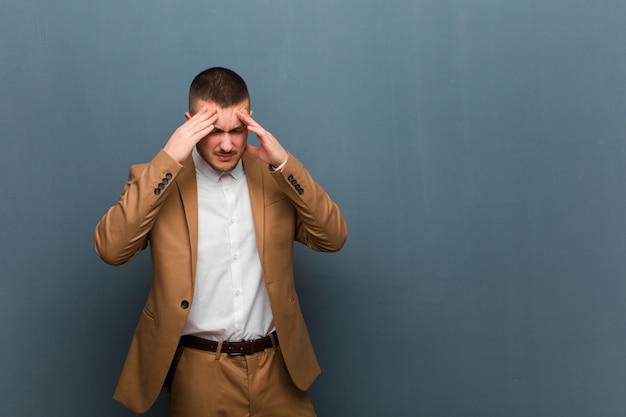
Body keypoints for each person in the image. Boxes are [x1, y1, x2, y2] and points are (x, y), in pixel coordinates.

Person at [94, 67, 347, 416]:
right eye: (213, 130)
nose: (227, 144)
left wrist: (286, 165)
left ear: (250, 122)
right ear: (189, 122)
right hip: (201, 373)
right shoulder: (155, 180)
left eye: (237, 130)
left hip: (279, 369)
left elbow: (332, 238)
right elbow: (112, 249)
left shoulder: (275, 176)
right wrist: (169, 157)